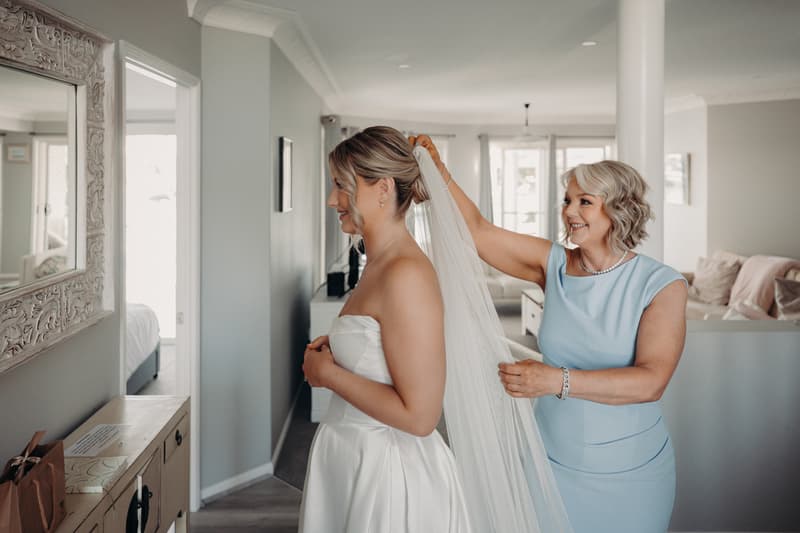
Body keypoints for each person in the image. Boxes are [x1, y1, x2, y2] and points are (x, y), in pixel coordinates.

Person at [414, 135, 688, 533]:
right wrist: (441, 174)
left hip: (632, 470)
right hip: (550, 461)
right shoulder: (553, 264)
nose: (569, 212)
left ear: (618, 209)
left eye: (584, 202)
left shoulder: (661, 285)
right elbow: (475, 230)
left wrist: (554, 380)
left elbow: (651, 381)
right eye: (567, 200)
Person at [299, 126, 473, 533]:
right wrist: (341, 352)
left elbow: (421, 416)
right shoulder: (378, 263)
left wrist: (329, 375)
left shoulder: (406, 273)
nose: (331, 200)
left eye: (342, 186)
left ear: (382, 188)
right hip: (355, 458)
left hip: (389, 479)